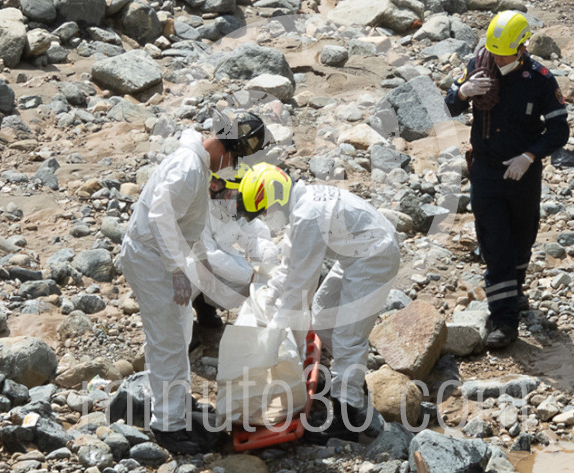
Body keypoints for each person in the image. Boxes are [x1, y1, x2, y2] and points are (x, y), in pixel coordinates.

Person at [118, 111, 268, 454]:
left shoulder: (198, 166)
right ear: (227, 150)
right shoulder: (188, 168)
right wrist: (175, 269)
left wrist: (198, 260)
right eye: (236, 158)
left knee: (180, 330)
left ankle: (177, 404)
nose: (232, 166)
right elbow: (160, 215)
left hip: (163, 256)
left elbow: (191, 222)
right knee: (168, 339)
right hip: (151, 259)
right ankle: (168, 426)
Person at [234, 163, 400, 443]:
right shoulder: (301, 207)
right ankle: (346, 380)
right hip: (356, 255)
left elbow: (300, 288)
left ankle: (348, 416)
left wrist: (280, 343)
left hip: (374, 258)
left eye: (264, 211)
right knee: (323, 315)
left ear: (274, 199)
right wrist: (269, 295)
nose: (266, 218)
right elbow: (290, 265)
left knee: (348, 335)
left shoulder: (308, 215)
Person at [444, 11, 569, 349]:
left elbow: (559, 131)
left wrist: (529, 157)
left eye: (505, 54)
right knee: (495, 246)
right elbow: (449, 106)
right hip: (485, 171)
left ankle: (514, 293)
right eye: (494, 52)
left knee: (522, 239)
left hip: (522, 175)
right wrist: (464, 91)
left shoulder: (540, 79)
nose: (498, 60)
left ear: (522, 48)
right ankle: (504, 321)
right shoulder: (478, 65)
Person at [188, 171, 279, 337]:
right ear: (214, 186)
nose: (235, 199)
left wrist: (269, 261)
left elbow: (253, 236)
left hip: (211, 264)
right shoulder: (197, 208)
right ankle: (180, 328)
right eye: (232, 194)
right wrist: (251, 275)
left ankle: (204, 307)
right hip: (178, 265)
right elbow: (209, 255)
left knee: (253, 283)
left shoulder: (229, 206)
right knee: (191, 272)